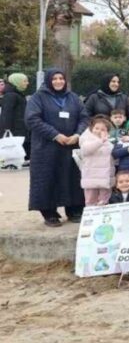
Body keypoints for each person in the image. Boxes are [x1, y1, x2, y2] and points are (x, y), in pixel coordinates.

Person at [26, 69, 89, 227]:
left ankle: (74, 209)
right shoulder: (38, 98)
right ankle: (49, 213)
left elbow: (84, 117)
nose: (58, 81)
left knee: (72, 178)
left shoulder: (73, 98)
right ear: (49, 81)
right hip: (47, 147)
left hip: (71, 145)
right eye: (54, 78)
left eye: (61, 78)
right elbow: (32, 119)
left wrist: (77, 134)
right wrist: (55, 135)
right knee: (47, 178)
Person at [78, 116, 115, 207]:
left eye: (103, 129)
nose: (99, 131)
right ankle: (91, 217)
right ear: (91, 129)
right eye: (96, 128)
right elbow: (86, 150)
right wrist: (100, 141)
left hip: (105, 177)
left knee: (104, 200)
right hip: (91, 176)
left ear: (107, 131)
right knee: (90, 200)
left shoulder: (110, 143)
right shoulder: (86, 141)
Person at [0, 72, 29, 164]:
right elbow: (6, 114)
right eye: (24, 81)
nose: (27, 83)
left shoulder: (17, 94)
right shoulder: (11, 95)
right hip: (15, 130)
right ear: (17, 82)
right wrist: (5, 131)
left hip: (19, 129)